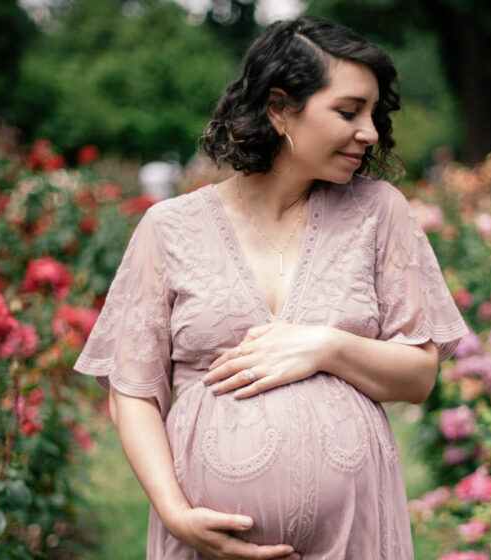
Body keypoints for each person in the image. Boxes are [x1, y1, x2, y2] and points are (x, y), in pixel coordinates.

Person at [74, 15, 468, 560]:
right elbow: (132, 391)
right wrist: (176, 514)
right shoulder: (170, 228)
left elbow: (420, 375)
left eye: (375, 114)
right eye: (349, 111)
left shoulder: (380, 214)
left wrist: (326, 347)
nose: (371, 132)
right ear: (280, 108)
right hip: (204, 544)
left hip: (353, 539)